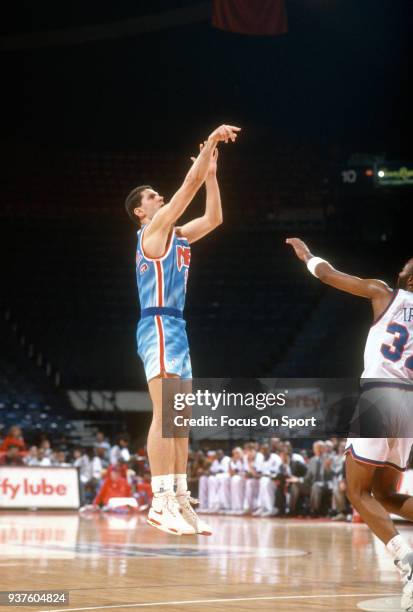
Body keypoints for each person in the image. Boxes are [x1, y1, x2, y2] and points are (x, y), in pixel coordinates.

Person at [125, 124, 240, 536]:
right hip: (156, 321)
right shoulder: (152, 232)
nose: (160, 198)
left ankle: (178, 497)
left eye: (159, 194)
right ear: (142, 211)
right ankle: (159, 501)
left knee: (181, 419)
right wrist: (210, 144)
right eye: (153, 197)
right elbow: (185, 190)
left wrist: (212, 175)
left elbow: (215, 217)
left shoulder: (178, 235)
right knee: (164, 413)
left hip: (176, 325)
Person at [287, 237, 413, 610]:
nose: (404, 264)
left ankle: (406, 563)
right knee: (387, 495)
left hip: (381, 394)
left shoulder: (384, 293)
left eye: (408, 263)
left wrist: (308, 257)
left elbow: (328, 275)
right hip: (409, 403)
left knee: (356, 492)